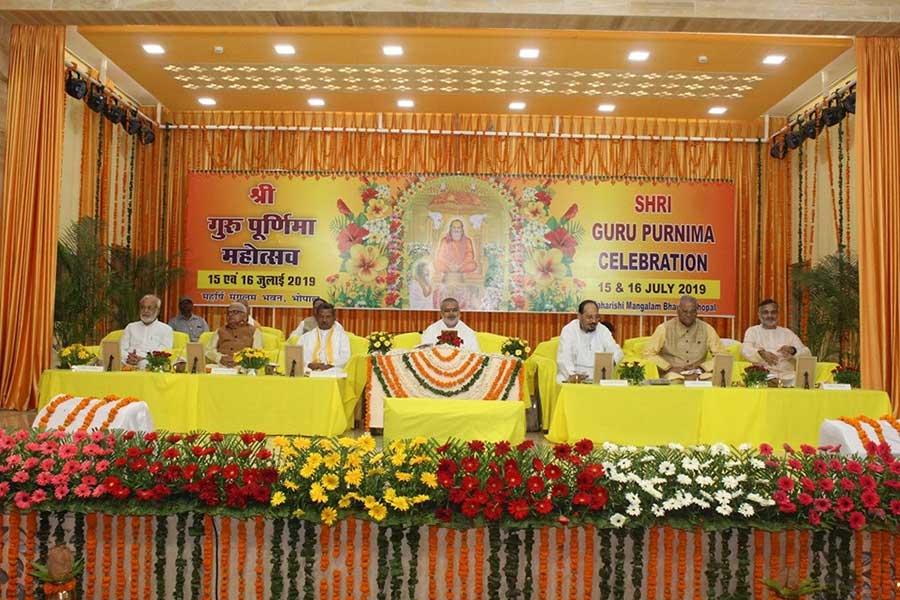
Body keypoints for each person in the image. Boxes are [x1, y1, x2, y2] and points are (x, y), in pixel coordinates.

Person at [644, 295, 725, 380]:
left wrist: (702, 368)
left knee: (713, 381)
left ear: (697, 312)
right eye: (685, 311)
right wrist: (669, 368)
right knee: (675, 381)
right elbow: (648, 354)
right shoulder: (664, 328)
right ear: (678, 311)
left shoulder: (707, 329)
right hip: (673, 374)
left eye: (692, 311)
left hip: (699, 374)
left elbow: (722, 356)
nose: (688, 315)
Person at [741, 299, 810, 381]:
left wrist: (793, 350)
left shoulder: (788, 333)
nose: (770, 315)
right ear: (759, 315)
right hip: (763, 377)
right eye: (765, 312)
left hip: (789, 378)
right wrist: (761, 353)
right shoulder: (753, 331)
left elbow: (807, 354)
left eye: (773, 312)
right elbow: (745, 350)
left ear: (778, 314)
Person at [557, 300, 623, 383]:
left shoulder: (603, 330)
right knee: (562, 380)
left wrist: (610, 363)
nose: (594, 321)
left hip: (597, 377)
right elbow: (564, 356)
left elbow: (615, 350)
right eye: (589, 317)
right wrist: (572, 375)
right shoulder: (569, 330)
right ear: (579, 316)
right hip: (573, 374)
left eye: (596, 317)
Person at [120, 294, 174, 368]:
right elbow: (121, 348)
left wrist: (143, 358)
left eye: (149, 308)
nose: (145, 311)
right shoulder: (131, 327)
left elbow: (164, 351)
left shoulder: (166, 329)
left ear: (157, 311)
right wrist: (128, 357)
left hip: (150, 361)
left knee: (146, 363)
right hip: (128, 360)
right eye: (143, 307)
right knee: (114, 360)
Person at [298, 302, 351, 375]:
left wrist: (330, 366)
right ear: (316, 317)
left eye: (328, 317)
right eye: (321, 317)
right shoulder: (305, 337)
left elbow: (345, 356)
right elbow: (299, 356)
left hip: (333, 370)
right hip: (310, 370)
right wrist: (309, 364)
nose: (324, 320)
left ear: (334, 318)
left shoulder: (342, 337)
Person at [204, 302, 263, 367]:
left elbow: (257, 353)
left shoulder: (254, 331)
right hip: (221, 364)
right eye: (229, 312)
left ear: (244, 316)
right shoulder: (220, 331)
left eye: (235, 312)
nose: (230, 315)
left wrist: (240, 360)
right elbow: (208, 350)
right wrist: (219, 358)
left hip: (242, 366)